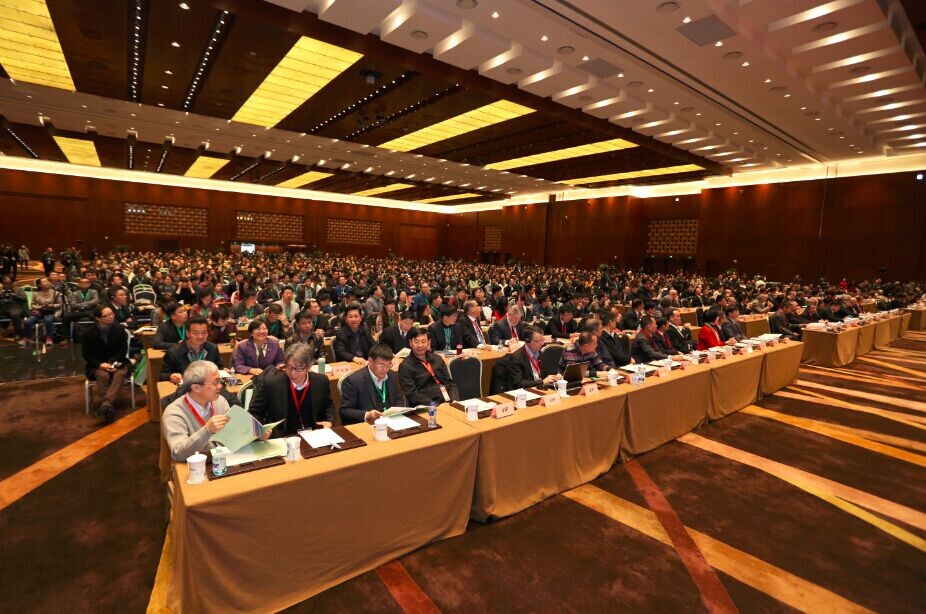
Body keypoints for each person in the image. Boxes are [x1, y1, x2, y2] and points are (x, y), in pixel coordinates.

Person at [161, 361, 269, 462]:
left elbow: (232, 433)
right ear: (196, 388)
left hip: (223, 459)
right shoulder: (174, 413)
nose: (220, 386)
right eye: (215, 383)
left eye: (220, 381)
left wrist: (254, 434)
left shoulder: (220, 401)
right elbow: (178, 453)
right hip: (196, 466)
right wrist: (207, 430)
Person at [248, 344, 334, 437]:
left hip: (314, 435)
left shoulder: (321, 381)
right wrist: (260, 430)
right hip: (282, 437)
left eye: (298, 369)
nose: (292, 373)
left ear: (309, 367)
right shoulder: (272, 384)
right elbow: (253, 413)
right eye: (289, 367)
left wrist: (329, 422)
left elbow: (328, 407)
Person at [81, 304, 130, 423]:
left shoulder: (119, 329)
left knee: (120, 374)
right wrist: (100, 364)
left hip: (118, 361)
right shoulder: (88, 333)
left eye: (111, 314)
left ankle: (106, 405)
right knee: (103, 375)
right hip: (97, 364)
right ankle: (108, 407)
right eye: (106, 315)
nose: (111, 317)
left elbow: (123, 350)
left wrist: (111, 362)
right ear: (98, 318)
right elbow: (87, 354)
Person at [339, 342, 406, 424]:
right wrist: (367, 415)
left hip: (391, 422)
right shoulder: (354, 381)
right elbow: (344, 411)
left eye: (388, 365)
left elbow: (398, 400)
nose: (385, 369)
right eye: (381, 365)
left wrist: (396, 412)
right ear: (370, 361)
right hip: (368, 425)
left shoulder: (391, 375)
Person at [398, 327, 460, 406]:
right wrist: (434, 405)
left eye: (423, 341)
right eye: (416, 342)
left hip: (448, 402)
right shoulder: (405, 366)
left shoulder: (437, 359)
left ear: (429, 342)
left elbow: (450, 383)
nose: (420, 345)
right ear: (410, 343)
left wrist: (454, 400)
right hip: (427, 406)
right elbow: (412, 394)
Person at [160, 317, 223, 383]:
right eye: (196, 333)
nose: (200, 336)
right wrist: (170, 376)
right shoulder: (173, 351)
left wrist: (223, 371)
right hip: (185, 386)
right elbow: (163, 375)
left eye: (204, 333)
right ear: (187, 333)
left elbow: (219, 368)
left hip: (208, 386)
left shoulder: (213, 348)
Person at [24, 277, 61, 345]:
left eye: (47, 281)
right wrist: (40, 307)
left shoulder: (55, 293)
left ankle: (49, 339)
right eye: (44, 282)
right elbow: (32, 305)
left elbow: (60, 304)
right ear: (39, 285)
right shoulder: (35, 293)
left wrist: (51, 305)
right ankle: (27, 339)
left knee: (48, 320)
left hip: (51, 311)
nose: (47, 283)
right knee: (27, 322)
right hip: (40, 312)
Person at [0, 276, 26, 342]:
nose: (7, 285)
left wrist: (14, 295)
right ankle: (3, 328)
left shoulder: (18, 289)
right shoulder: (1, 290)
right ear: (2, 283)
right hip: (3, 308)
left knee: (14, 314)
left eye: (9, 283)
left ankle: (18, 334)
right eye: (5, 283)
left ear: (12, 283)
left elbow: (24, 299)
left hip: (16, 307)